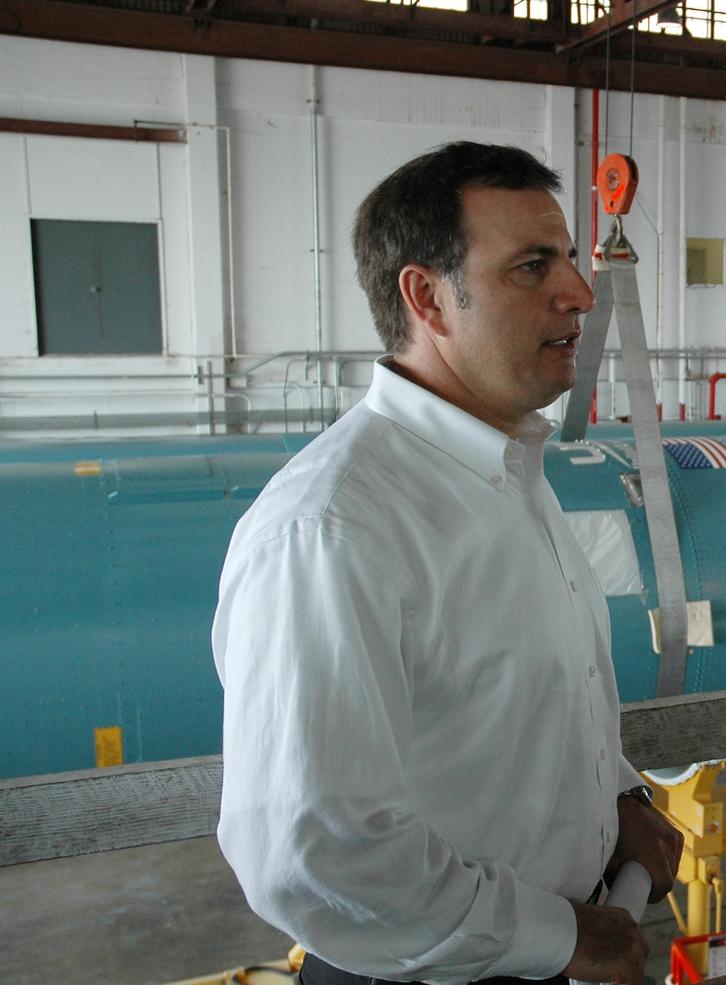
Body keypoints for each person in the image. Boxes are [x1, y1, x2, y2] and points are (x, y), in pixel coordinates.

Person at [213, 142, 683, 985]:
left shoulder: (507, 471)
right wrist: (560, 935)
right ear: (427, 297)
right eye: (533, 266)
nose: (580, 292)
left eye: (568, 257)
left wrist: (615, 799)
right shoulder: (333, 528)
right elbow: (315, 853)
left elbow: (514, 708)